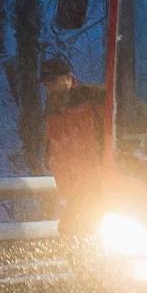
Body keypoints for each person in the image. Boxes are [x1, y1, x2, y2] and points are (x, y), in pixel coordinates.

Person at [39, 54, 109, 230]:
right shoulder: (50, 114)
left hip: (101, 187)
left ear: (68, 79)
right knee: (71, 233)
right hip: (74, 191)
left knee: (81, 233)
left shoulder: (95, 99)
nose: (49, 87)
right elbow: (53, 147)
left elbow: (132, 111)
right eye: (46, 83)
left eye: (53, 81)